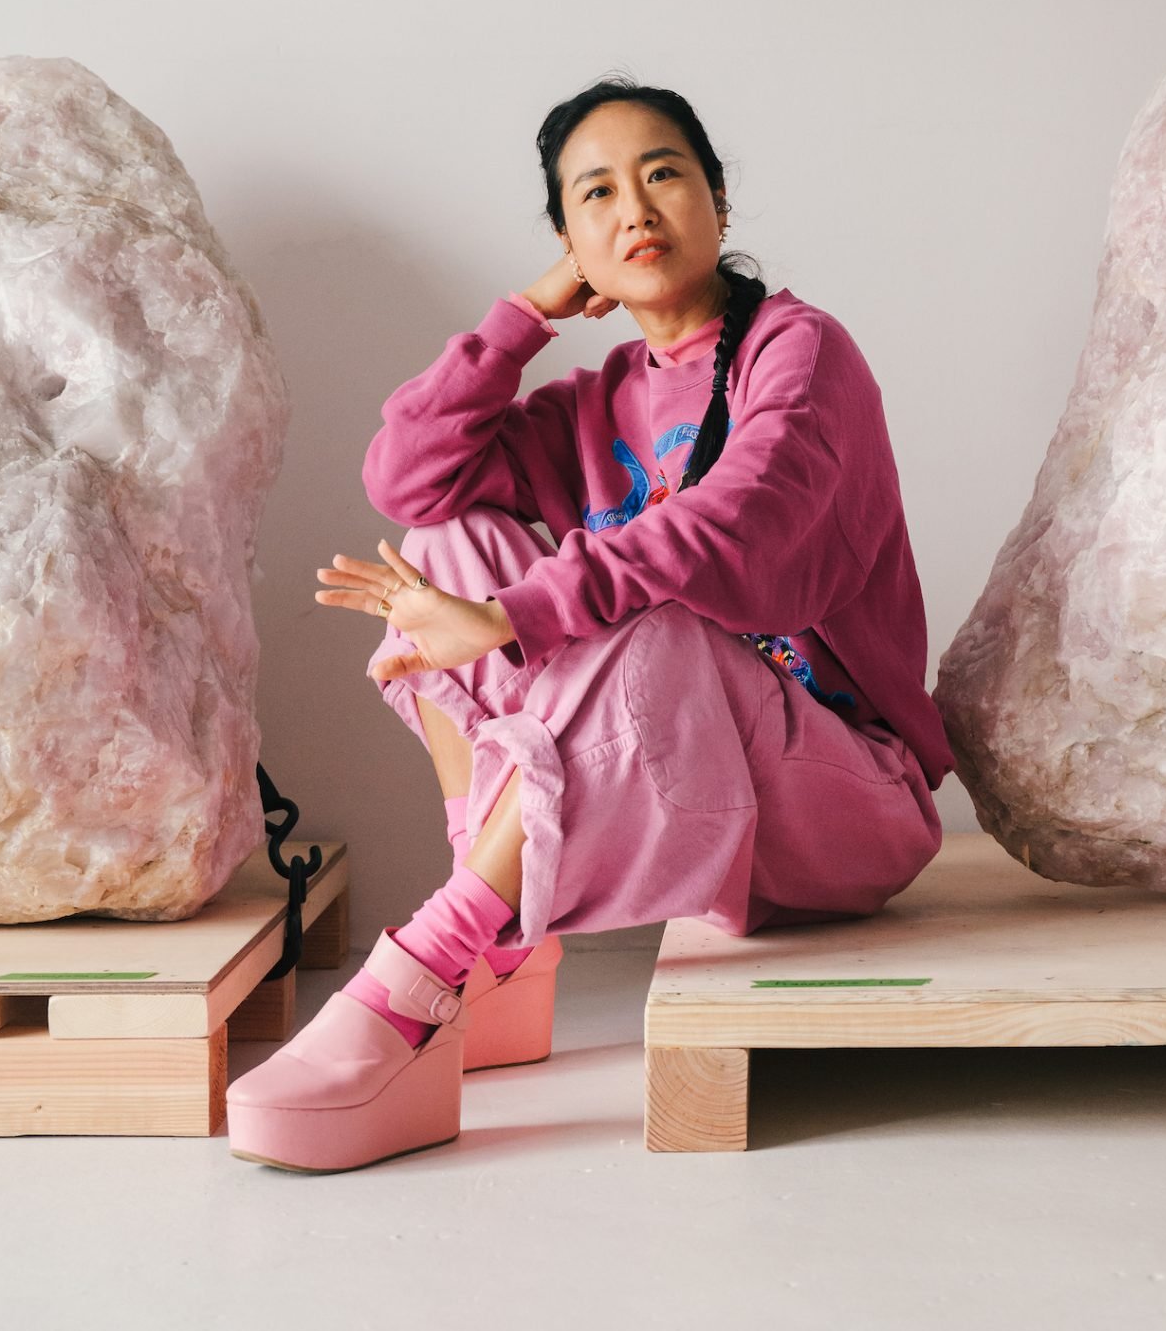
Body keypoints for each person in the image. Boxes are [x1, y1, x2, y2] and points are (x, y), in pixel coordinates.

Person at [226, 75, 952, 1172]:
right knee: (447, 540)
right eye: (596, 194)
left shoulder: (798, 352)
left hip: (844, 803)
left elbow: (738, 524)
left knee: (652, 619)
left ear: (716, 198)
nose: (636, 210)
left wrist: (513, 616)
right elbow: (406, 475)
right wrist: (525, 317)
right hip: (716, 784)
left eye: (663, 174)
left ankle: (427, 974)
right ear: (570, 239)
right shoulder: (599, 398)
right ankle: (510, 952)